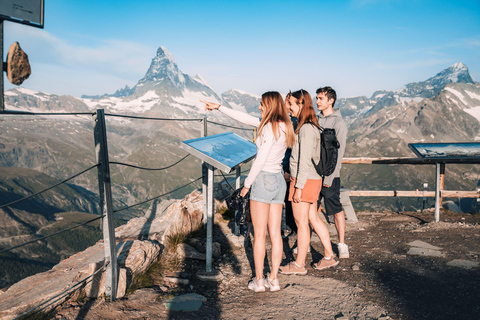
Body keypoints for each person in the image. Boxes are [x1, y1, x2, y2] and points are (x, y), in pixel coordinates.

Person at [201, 92, 295, 292]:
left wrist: (246, 185)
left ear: (269, 106)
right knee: (276, 234)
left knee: (259, 235)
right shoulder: (286, 126)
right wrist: (219, 107)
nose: (259, 108)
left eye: (261, 105)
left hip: (262, 180)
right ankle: (274, 279)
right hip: (278, 180)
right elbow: (244, 118)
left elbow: (260, 160)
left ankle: (259, 280)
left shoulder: (268, 129)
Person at [279, 89, 339, 276]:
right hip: (313, 180)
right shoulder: (312, 125)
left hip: (303, 180)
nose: (288, 107)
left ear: (300, 105)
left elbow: (304, 161)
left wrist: (298, 187)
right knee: (313, 218)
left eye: (291, 104)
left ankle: (299, 265)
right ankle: (329, 256)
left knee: (301, 222)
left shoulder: (305, 129)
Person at [315, 86, 349, 259]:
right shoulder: (315, 120)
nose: (317, 101)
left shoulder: (339, 123)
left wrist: (329, 176)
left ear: (331, 101)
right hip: (314, 175)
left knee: (335, 209)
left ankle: (342, 244)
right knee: (310, 209)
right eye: (317, 98)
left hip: (330, 176)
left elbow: (339, 153)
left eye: (321, 98)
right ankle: (303, 242)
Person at [281, 91, 298, 237]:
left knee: (291, 199)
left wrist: (288, 170)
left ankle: (295, 229)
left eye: (288, 103)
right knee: (288, 199)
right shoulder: (289, 120)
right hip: (286, 165)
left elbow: (292, 149)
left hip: (289, 167)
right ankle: (290, 227)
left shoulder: (294, 122)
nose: (286, 105)